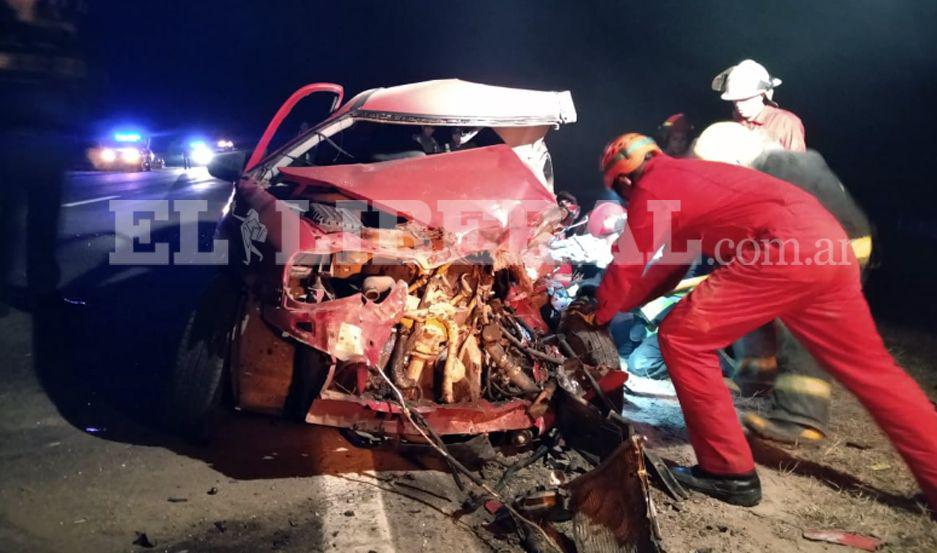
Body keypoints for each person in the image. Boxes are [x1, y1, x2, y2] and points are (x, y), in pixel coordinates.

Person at [570, 132, 937, 510]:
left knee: (683, 336)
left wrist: (596, 309)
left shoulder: (655, 186)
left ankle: (728, 472)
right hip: (829, 246)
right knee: (873, 370)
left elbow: (631, 261)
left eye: (623, 193)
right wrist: (612, 306)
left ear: (626, 180)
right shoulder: (688, 179)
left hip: (784, 247)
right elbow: (665, 271)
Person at [692, 121, 874, 444]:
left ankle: (801, 417)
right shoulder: (771, 164)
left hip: (838, 248)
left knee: (800, 321)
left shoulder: (779, 170)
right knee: (751, 297)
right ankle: (756, 376)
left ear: (734, 161)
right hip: (818, 244)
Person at [712, 59, 805, 152]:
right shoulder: (735, 123)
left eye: (744, 99)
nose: (738, 104)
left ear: (761, 95)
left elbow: (798, 163)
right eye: (735, 100)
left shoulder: (786, 123)